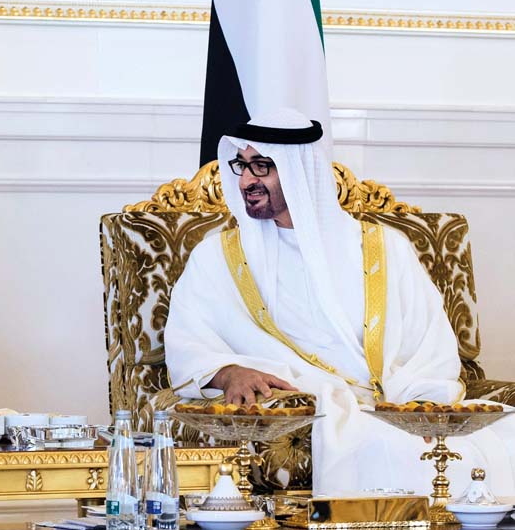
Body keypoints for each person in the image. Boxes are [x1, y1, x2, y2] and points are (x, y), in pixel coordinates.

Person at [164, 109, 515, 495]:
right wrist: (228, 372)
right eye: (242, 166)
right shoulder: (217, 257)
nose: (246, 180)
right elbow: (187, 339)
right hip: (323, 408)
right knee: (391, 449)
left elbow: (429, 340)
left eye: (262, 167)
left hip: (401, 402)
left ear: (300, 171)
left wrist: (422, 405)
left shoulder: (385, 248)